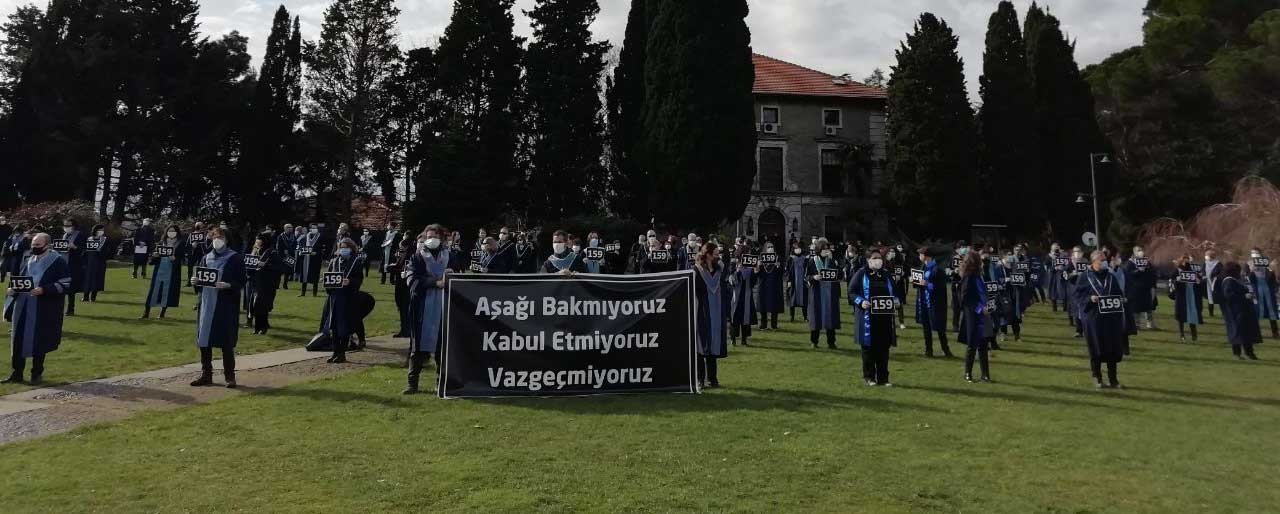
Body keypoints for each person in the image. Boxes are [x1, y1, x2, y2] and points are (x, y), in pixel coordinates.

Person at [3, 233, 71, 385]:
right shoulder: (28, 260)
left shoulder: (58, 261)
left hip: (44, 307)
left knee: (39, 341)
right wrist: (12, 289)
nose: (34, 248)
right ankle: (17, 373)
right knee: (18, 339)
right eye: (33, 245)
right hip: (23, 305)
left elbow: (65, 284)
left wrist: (44, 290)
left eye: (38, 245)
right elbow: (19, 279)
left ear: (47, 245)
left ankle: (36, 374)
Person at [189, 227, 244, 388]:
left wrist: (228, 285)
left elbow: (241, 281)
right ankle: (206, 374)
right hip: (206, 304)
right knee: (204, 340)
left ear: (227, 240)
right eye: (214, 237)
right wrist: (196, 282)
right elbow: (201, 280)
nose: (217, 240)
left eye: (221, 237)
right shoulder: (206, 258)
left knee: (226, 341)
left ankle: (229, 376)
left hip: (225, 305)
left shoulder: (235, 258)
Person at [403, 225, 451, 394]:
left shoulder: (449, 256)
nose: (432, 239)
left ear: (442, 238)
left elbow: (460, 275)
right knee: (417, 347)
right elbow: (412, 280)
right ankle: (412, 383)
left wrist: (452, 274)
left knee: (442, 347)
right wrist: (434, 283)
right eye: (429, 236)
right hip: (422, 307)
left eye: (435, 236)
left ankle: (441, 382)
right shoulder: (417, 256)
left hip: (444, 307)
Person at [1074, 250, 1130, 389]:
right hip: (1093, 318)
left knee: (1112, 348)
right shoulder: (1084, 277)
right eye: (1101, 260)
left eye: (1105, 260)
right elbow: (1077, 295)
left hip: (1110, 317)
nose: (1104, 262)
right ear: (1094, 262)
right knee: (1096, 348)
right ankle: (1097, 377)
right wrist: (1089, 299)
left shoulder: (1110, 277)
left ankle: (1113, 380)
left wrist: (1122, 299)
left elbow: (1118, 292)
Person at [849, 250, 897, 386]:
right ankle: (869, 377)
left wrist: (897, 300)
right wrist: (861, 301)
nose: (878, 260)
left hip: (884, 318)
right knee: (869, 349)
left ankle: (884, 378)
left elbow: (895, 291)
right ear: (869, 260)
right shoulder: (861, 274)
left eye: (880, 258)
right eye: (875, 258)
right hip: (867, 318)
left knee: (883, 348)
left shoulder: (886, 274)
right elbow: (851, 291)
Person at [319, 238, 365, 363]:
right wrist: (326, 281)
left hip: (348, 298)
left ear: (351, 248)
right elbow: (329, 275)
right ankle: (335, 352)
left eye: (346, 247)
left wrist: (350, 282)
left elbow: (359, 279)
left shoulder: (356, 261)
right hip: (334, 298)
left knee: (343, 327)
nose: (344, 249)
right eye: (342, 247)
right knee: (333, 327)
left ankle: (342, 353)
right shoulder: (334, 261)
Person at [692, 241, 728, 389]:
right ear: (707, 255)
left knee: (713, 344)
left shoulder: (720, 270)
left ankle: (712, 379)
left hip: (717, 312)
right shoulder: (696, 270)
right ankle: (700, 379)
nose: (718, 257)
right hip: (702, 312)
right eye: (715, 255)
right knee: (701, 345)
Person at [956, 252, 992, 383]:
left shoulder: (979, 275)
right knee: (972, 343)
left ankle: (985, 374)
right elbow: (965, 298)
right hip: (973, 314)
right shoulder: (968, 277)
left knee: (983, 343)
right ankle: (967, 373)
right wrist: (979, 308)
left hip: (984, 313)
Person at [141, 225, 186, 319]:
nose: (171, 232)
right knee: (153, 291)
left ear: (177, 232)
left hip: (171, 271)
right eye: (170, 231)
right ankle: (146, 312)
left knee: (167, 292)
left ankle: (162, 313)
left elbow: (181, 257)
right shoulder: (162, 242)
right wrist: (155, 256)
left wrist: (175, 258)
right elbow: (152, 260)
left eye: (173, 231)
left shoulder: (180, 243)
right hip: (159, 270)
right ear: (166, 232)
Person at [915, 246, 953, 358]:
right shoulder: (923, 267)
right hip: (924, 303)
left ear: (926, 256)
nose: (919, 256)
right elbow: (919, 284)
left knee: (940, 328)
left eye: (920, 254)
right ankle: (928, 351)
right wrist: (915, 281)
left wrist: (927, 285)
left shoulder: (937, 270)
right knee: (926, 327)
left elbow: (941, 287)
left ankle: (946, 350)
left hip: (935, 304)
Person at [1219, 261, 1261, 360]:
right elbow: (1228, 295)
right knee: (1237, 333)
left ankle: (1249, 353)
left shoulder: (1238, 280)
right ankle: (1237, 354)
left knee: (1246, 333)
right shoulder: (1228, 281)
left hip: (1244, 310)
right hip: (1235, 311)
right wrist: (1244, 296)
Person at [806, 238, 841, 349]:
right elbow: (806, 276)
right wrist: (814, 277)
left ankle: (831, 342)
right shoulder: (812, 261)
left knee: (830, 316)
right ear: (819, 249)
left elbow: (839, 275)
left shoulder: (831, 260)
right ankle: (814, 341)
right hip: (817, 292)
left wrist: (834, 263)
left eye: (827, 249)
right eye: (824, 249)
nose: (826, 251)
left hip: (830, 292)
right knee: (816, 316)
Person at [248, 233, 281, 334]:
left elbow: (279, 268)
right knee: (255, 305)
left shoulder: (272, 252)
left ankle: (263, 328)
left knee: (262, 306)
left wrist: (265, 265)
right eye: (257, 239)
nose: (257, 241)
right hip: (256, 282)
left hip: (267, 283)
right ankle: (257, 328)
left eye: (259, 239)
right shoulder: (255, 250)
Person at [1169, 254, 1205, 343]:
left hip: (1191, 294)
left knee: (1192, 314)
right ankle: (1182, 334)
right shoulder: (1177, 270)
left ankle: (1194, 334)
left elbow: (1199, 280)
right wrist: (1177, 280)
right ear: (1181, 261)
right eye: (1185, 260)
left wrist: (1198, 281)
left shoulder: (1193, 270)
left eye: (1188, 260)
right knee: (1181, 315)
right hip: (1181, 295)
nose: (1187, 262)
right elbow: (1172, 280)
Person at [55, 219, 86, 316]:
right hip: (62, 264)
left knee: (71, 289)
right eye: (65, 225)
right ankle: (59, 308)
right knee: (60, 286)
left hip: (73, 265)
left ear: (74, 225)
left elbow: (84, 250)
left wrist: (75, 247)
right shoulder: (64, 236)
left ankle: (70, 309)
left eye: (68, 225)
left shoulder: (79, 235)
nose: (66, 227)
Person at [1246, 248, 1279, 339]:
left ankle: (1275, 333)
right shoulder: (1249, 263)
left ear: (1260, 254)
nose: (1255, 255)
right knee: (1256, 312)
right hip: (1256, 290)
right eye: (1253, 253)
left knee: (1271, 311)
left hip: (1268, 291)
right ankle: (1255, 333)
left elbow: (1274, 279)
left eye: (1256, 253)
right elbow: (1247, 278)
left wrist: (1273, 270)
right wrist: (1251, 271)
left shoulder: (1266, 263)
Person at [1123, 246, 1157, 329]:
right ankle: (1136, 324)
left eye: (1141, 250)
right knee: (1136, 308)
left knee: (1149, 307)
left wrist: (1152, 284)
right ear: (1134, 252)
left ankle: (1150, 324)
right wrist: (1138, 271)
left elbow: (1152, 272)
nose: (1140, 252)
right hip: (1135, 289)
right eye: (1138, 250)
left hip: (1146, 288)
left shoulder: (1146, 262)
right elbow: (1128, 274)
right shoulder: (1130, 263)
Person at [729, 247, 757, 347]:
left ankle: (744, 339)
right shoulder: (733, 263)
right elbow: (731, 280)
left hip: (747, 294)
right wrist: (737, 271)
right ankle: (733, 339)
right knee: (735, 317)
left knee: (746, 318)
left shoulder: (751, 265)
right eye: (747, 253)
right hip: (736, 295)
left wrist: (755, 271)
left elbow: (753, 282)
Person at [757, 242, 784, 330]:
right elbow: (757, 273)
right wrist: (758, 266)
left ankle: (774, 325)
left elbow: (782, 272)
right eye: (768, 247)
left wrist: (778, 266)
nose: (770, 248)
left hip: (774, 284)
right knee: (763, 305)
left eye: (772, 247)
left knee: (774, 305)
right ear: (765, 248)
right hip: (764, 284)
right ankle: (763, 325)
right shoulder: (761, 258)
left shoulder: (778, 257)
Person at [390, 237, 414, 338]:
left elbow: (404, 269)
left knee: (404, 308)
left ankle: (406, 330)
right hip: (400, 284)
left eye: (401, 246)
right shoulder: (402, 255)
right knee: (401, 307)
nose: (399, 248)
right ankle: (404, 329)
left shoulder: (409, 256)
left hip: (404, 285)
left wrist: (394, 268)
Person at [82, 224, 109, 302]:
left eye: (103, 230)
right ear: (95, 230)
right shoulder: (89, 239)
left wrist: (101, 251)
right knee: (87, 280)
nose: (102, 232)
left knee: (97, 280)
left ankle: (93, 297)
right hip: (89, 262)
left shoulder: (104, 240)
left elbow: (108, 252)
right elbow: (84, 251)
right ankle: (85, 297)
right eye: (100, 230)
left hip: (99, 262)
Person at [297, 224, 325, 297]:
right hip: (306, 258)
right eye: (312, 228)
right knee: (305, 275)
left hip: (315, 259)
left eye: (315, 228)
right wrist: (301, 251)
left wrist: (317, 253)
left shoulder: (321, 237)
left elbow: (323, 249)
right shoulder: (307, 236)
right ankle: (303, 293)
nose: (313, 229)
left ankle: (314, 293)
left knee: (315, 275)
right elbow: (301, 245)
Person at [886, 246, 908, 330]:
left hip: (898, 286)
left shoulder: (900, 261)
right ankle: (890, 322)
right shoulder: (886, 262)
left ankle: (901, 322)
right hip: (889, 286)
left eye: (893, 251)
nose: (892, 253)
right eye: (890, 251)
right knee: (888, 304)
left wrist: (903, 274)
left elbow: (906, 271)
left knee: (899, 304)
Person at [786, 242, 808, 322]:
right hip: (793, 281)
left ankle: (805, 317)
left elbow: (808, 270)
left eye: (799, 248)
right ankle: (792, 317)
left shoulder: (805, 258)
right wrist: (788, 280)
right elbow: (788, 271)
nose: (797, 249)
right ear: (793, 249)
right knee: (792, 300)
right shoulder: (791, 258)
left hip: (803, 281)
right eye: (796, 248)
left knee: (804, 300)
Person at [1204, 248, 1220, 317]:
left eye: (1207, 255)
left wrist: (1215, 276)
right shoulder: (1205, 263)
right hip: (1208, 282)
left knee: (1217, 296)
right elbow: (1202, 271)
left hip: (1215, 282)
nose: (1206, 257)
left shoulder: (1217, 263)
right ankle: (1211, 313)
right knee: (1210, 298)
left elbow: (1220, 272)